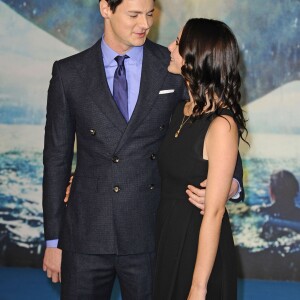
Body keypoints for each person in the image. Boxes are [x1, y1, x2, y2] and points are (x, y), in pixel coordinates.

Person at [42, 1, 243, 299]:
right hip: (85, 233)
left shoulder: (174, 64)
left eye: (150, 14)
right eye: (134, 15)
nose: (145, 24)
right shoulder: (69, 73)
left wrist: (230, 183)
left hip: (150, 233)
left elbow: (213, 121)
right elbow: (56, 160)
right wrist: (53, 240)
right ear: (105, 9)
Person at [153, 18, 247, 300]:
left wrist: (198, 288)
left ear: (198, 57)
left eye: (179, 43)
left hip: (197, 249)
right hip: (167, 239)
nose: (170, 47)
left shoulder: (222, 125)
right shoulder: (182, 109)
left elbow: (215, 213)